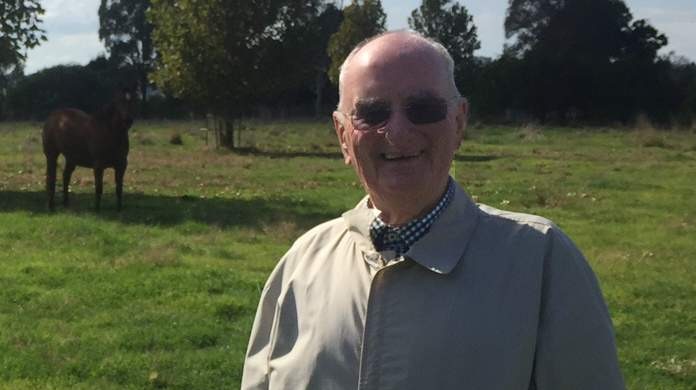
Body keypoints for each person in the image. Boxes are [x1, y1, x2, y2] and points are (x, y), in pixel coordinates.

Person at [241, 30, 625, 390]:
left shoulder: (542, 259)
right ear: (343, 137)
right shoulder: (302, 263)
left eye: (422, 108)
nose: (398, 131)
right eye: (372, 112)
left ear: (458, 123)